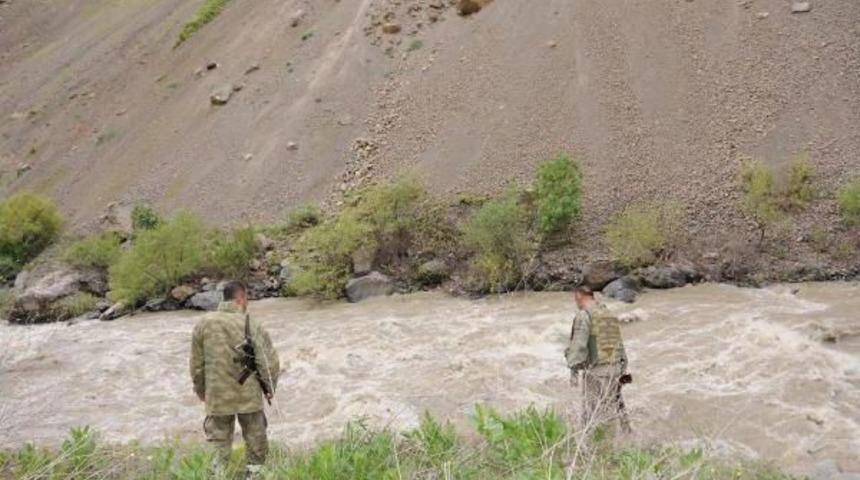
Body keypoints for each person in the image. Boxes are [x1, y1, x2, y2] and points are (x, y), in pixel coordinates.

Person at [190, 281, 280, 478]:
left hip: (217, 394)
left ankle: (218, 475)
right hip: (248, 394)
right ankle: (255, 474)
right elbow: (267, 361)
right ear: (240, 298)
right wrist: (270, 387)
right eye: (246, 299)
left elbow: (196, 365)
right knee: (256, 438)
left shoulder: (203, 324)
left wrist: (201, 390)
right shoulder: (251, 323)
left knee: (218, 441)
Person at [564, 285, 631, 437]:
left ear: (579, 298)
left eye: (576, 300)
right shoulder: (608, 313)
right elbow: (619, 343)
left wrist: (573, 369)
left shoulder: (584, 315)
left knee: (592, 413)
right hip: (615, 368)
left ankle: (594, 444)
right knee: (612, 409)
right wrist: (622, 369)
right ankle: (620, 440)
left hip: (597, 371)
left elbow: (578, 346)